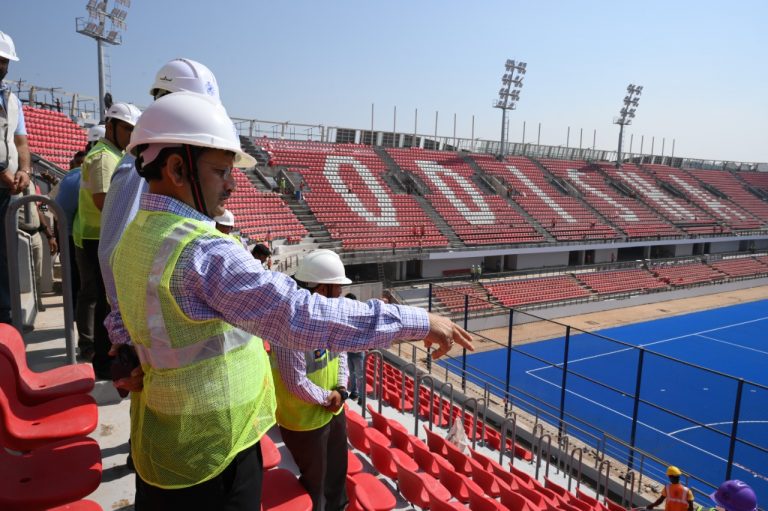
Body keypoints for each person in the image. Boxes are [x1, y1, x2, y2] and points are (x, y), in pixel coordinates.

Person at [111, 92, 473, 510]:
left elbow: (124, 316)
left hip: (165, 444)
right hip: (214, 454)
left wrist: (124, 350)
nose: (231, 184)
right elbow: (300, 315)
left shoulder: (135, 235)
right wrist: (419, 321)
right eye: (220, 171)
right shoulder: (202, 251)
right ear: (176, 168)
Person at [99, 58, 222, 354]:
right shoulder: (137, 166)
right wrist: (124, 330)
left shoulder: (164, 161)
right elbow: (112, 251)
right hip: (149, 331)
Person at [272, 249, 354, 511]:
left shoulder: (330, 314)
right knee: (316, 483)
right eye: (336, 287)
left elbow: (341, 354)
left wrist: (340, 389)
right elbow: (295, 380)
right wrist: (327, 398)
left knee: (336, 474)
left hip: (333, 410)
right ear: (320, 287)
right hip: (304, 420)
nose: (340, 293)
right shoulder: (290, 325)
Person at [74, 101, 141, 373]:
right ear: (111, 126)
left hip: (100, 236)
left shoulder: (115, 155)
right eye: (126, 128)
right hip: (95, 237)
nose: (130, 135)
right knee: (103, 302)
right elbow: (105, 203)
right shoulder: (104, 157)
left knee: (103, 300)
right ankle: (102, 362)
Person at [0, 30, 32, 325]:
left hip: (6, 189)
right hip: (2, 180)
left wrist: (24, 170)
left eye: (5, 61)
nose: (1, 66)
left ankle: (5, 317)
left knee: (5, 253)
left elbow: (20, 141)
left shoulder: (11, 99)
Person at [16, 180, 57, 311]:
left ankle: (37, 300)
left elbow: (37, 208)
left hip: (35, 234)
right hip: (18, 235)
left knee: (37, 273)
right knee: (20, 275)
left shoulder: (32, 184)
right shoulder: (9, 183)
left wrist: (49, 235)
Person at [53, 150, 86, 308]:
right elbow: (57, 208)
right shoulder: (72, 178)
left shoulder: (72, 178)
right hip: (72, 235)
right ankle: (73, 310)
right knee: (74, 276)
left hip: (76, 235)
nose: (81, 166)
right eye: (78, 163)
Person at [344, 292, 364, 402]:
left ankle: (361, 396)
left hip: (358, 350)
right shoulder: (347, 315)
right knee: (352, 373)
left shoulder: (360, 315)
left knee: (360, 375)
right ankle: (354, 392)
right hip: (349, 350)